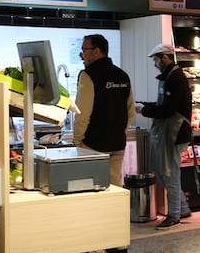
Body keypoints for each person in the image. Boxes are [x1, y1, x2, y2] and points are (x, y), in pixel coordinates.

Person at [136, 44, 193, 229]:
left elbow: (167, 110)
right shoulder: (169, 77)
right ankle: (182, 207)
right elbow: (162, 105)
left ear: (165, 57)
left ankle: (174, 215)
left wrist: (143, 110)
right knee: (161, 171)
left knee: (169, 174)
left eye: (156, 60)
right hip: (168, 133)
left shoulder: (176, 78)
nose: (155, 64)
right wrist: (143, 105)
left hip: (175, 133)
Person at [73, 34, 135, 187]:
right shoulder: (122, 75)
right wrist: (120, 132)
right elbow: (130, 111)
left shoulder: (88, 75)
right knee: (114, 188)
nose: (81, 55)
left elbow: (82, 113)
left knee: (92, 188)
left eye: (84, 50)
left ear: (96, 51)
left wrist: (78, 140)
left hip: (92, 145)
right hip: (117, 144)